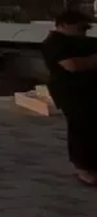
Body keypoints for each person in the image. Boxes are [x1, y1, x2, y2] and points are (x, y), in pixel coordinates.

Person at [41, 9, 97, 185]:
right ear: (64, 25)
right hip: (71, 93)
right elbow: (72, 65)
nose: (83, 33)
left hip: (89, 91)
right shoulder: (54, 43)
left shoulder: (81, 42)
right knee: (81, 129)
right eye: (80, 29)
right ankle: (84, 169)